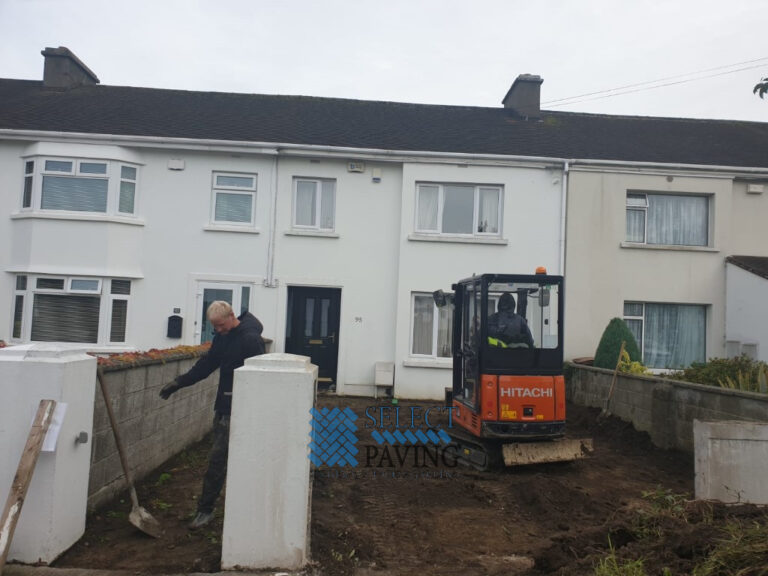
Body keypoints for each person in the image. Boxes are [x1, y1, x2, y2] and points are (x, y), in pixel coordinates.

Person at [159, 300, 265, 529]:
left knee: (234, 460)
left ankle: (227, 509)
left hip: (245, 409)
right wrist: (179, 383)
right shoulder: (223, 339)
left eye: (220, 325)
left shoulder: (250, 340)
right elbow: (206, 366)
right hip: (224, 408)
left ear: (231, 316)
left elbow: (261, 377)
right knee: (219, 460)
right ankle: (207, 510)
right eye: (214, 326)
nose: (217, 330)